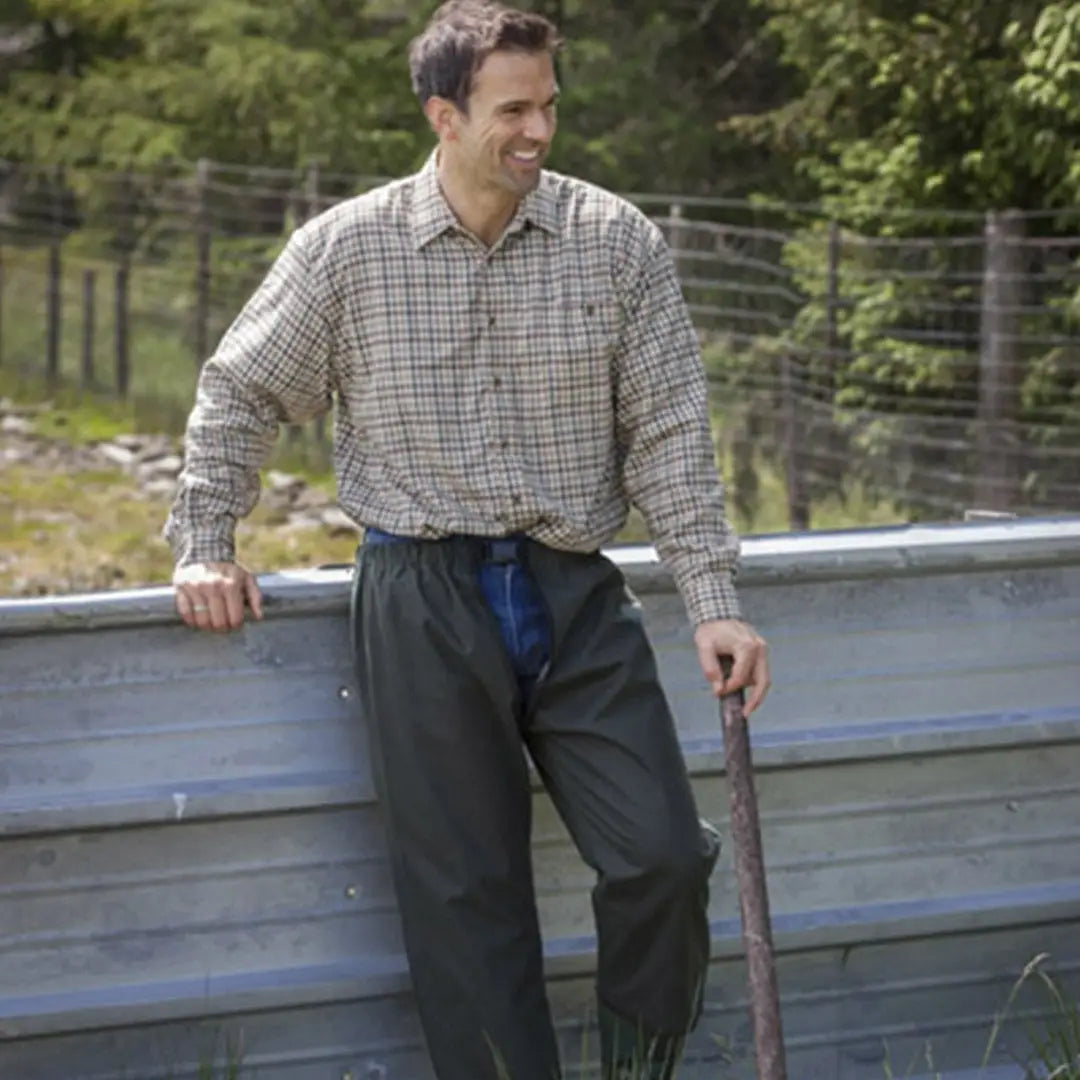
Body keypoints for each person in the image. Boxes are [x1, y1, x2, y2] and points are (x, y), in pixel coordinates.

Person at [165, 2, 770, 1077]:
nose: (538, 129)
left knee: (664, 860)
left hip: (577, 594)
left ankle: (637, 1072)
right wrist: (207, 536)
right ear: (444, 115)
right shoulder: (349, 251)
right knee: (467, 908)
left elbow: (672, 430)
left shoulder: (616, 242)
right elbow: (240, 387)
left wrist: (713, 597)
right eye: (512, 109)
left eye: (548, 104)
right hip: (420, 594)